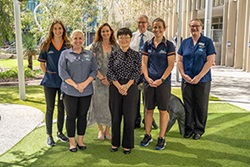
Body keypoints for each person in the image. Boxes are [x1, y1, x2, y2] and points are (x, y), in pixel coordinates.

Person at [58, 29, 98, 152]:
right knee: (70, 117)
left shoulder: (89, 54)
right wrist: (76, 86)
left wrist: (84, 84)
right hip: (69, 91)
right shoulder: (65, 54)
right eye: (75, 38)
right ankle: (72, 142)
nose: (78, 40)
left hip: (86, 91)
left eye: (80, 38)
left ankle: (80, 140)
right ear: (71, 39)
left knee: (82, 116)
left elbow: (94, 71)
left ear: (84, 40)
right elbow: (62, 72)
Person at [177, 18, 216, 140]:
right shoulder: (185, 43)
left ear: (201, 27)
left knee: (201, 105)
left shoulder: (207, 42)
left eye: (197, 26)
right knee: (188, 105)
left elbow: (210, 61)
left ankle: (199, 130)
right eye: (192, 26)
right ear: (189, 28)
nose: (194, 28)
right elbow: (179, 60)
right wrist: (183, 75)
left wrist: (199, 77)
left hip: (202, 81)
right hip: (187, 80)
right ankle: (188, 129)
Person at [140, 18, 175, 150]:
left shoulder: (169, 45)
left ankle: (161, 137)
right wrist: (147, 78)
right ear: (152, 28)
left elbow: (171, 65)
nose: (157, 29)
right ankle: (147, 135)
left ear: (164, 28)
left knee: (162, 110)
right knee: (148, 110)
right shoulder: (147, 44)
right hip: (149, 82)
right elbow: (144, 63)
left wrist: (161, 79)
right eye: (155, 27)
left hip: (163, 83)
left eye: (159, 27)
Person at [107, 27, 141, 154]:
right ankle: (115, 143)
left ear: (130, 38)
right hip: (115, 87)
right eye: (121, 37)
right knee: (115, 116)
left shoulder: (136, 55)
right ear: (117, 39)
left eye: (126, 37)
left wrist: (126, 86)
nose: (124, 40)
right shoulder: (113, 54)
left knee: (129, 117)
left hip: (130, 87)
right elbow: (109, 72)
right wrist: (118, 86)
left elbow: (137, 72)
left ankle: (128, 145)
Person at [38, 20, 71, 146]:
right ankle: (49, 135)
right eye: (56, 28)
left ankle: (60, 133)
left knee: (62, 108)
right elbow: (42, 63)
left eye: (60, 28)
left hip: (63, 82)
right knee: (50, 108)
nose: (58, 31)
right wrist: (48, 74)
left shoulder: (67, 45)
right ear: (52, 30)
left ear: (63, 30)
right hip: (49, 82)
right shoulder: (46, 45)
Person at [89, 23, 119, 140]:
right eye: (103, 31)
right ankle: (100, 130)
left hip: (112, 81)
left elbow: (118, 65)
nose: (105, 33)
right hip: (98, 80)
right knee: (99, 105)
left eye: (107, 31)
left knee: (110, 105)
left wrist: (110, 78)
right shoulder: (95, 46)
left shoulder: (116, 46)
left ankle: (108, 130)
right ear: (100, 33)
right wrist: (101, 77)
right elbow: (92, 63)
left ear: (111, 32)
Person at [130, 15, 157, 129]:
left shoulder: (152, 37)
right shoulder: (131, 36)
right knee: (134, 98)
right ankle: (136, 121)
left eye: (143, 22)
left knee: (148, 98)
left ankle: (148, 121)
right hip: (134, 73)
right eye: (139, 22)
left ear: (148, 23)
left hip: (148, 72)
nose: (141, 25)